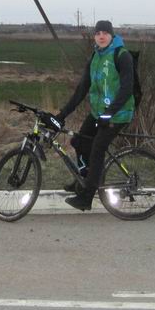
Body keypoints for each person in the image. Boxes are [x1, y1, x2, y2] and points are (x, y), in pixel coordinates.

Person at [53, 20, 135, 211]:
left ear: (112, 35)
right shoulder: (95, 57)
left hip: (118, 114)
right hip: (99, 113)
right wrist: (62, 114)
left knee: (97, 149)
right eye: (97, 33)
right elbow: (82, 89)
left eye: (105, 32)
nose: (101, 36)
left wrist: (109, 113)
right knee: (79, 142)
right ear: (94, 36)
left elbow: (127, 88)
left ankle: (86, 197)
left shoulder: (122, 56)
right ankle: (83, 178)